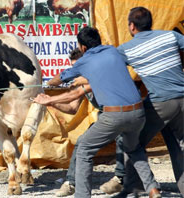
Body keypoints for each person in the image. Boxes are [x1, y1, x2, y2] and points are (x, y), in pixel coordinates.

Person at [39, 26, 161, 198]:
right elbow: (73, 106)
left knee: (83, 149)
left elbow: (61, 78)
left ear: (83, 48)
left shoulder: (85, 61)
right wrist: (52, 102)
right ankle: (152, 189)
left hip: (114, 115)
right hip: (138, 112)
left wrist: (48, 85)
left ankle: (82, 193)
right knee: (134, 149)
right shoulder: (113, 51)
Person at [116, 7, 184, 197]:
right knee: (177, 145)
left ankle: (137, 188)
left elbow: (110, 66)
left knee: (131, 140)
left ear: (131, 26)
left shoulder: (126, 49)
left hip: (161, 103)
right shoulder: (171, 36)